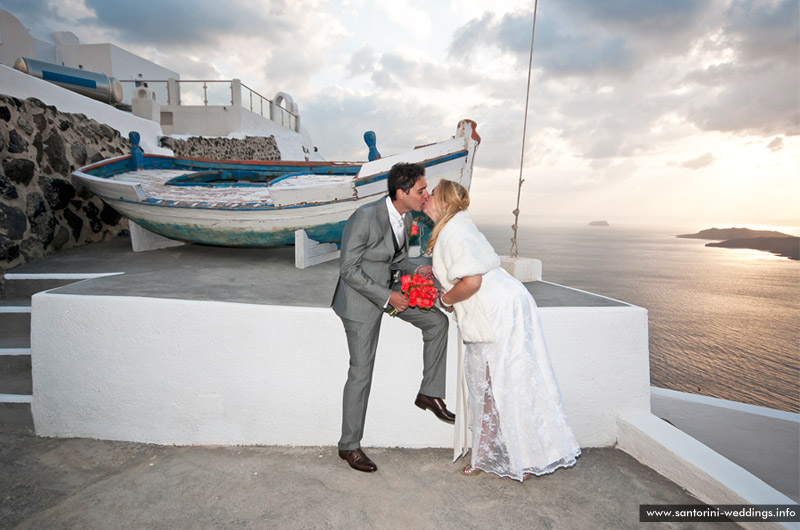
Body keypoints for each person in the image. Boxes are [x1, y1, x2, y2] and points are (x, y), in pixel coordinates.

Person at [423, 179, 580, 482]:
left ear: (442, 202)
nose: (426, 198)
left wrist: (444, 299)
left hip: (497, 310)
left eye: (431, 194)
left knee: (502, 383)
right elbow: (469, 268)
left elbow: (471, 282)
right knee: (499, 382)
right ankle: (495, 453)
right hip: (506, 301)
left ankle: (508, 455)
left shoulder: (453, 230)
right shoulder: (456, 225)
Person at [331, 162, 454, 473]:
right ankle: (349, 446)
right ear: (401, 193)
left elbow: (396, 258)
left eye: (426, 189)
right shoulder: (365, 217)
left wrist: (420, 268)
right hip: (360, 302)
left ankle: (429, 392)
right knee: (361, 372)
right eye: (421, 190)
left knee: (438, 322)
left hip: (390, 290)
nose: (426, 194)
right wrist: (387, 297)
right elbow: (348, 269)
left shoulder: (407, 215)